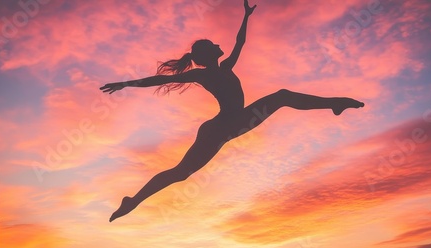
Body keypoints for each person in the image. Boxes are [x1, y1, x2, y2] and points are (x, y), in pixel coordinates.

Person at [100, 0, 364, 222]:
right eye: (213, 44)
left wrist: (246, 16)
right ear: (207, 54)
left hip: (234, 121)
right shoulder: (202, 75)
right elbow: (160, 80)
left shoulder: (225, 67)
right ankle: (133, 201)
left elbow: (240, 42)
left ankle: (335, 103)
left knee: (282, 96)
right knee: (182, 172)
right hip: (222, 127)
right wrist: (125, 84)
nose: (218, 44)